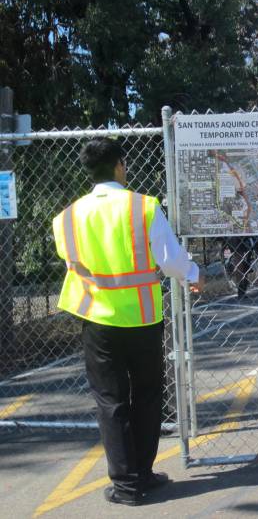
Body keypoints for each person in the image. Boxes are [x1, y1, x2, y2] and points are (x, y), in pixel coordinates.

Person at [52, 139, 202, 506]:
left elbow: (73, 263)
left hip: (97, 320)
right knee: (148, 396)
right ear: (121, 165)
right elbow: (168, 259)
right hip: (143, 319)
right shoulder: (142, 207)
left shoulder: (67, 217)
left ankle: (125, 485)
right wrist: (193, 273)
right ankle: (144, 473)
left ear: (90, 171)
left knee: (111, 401)